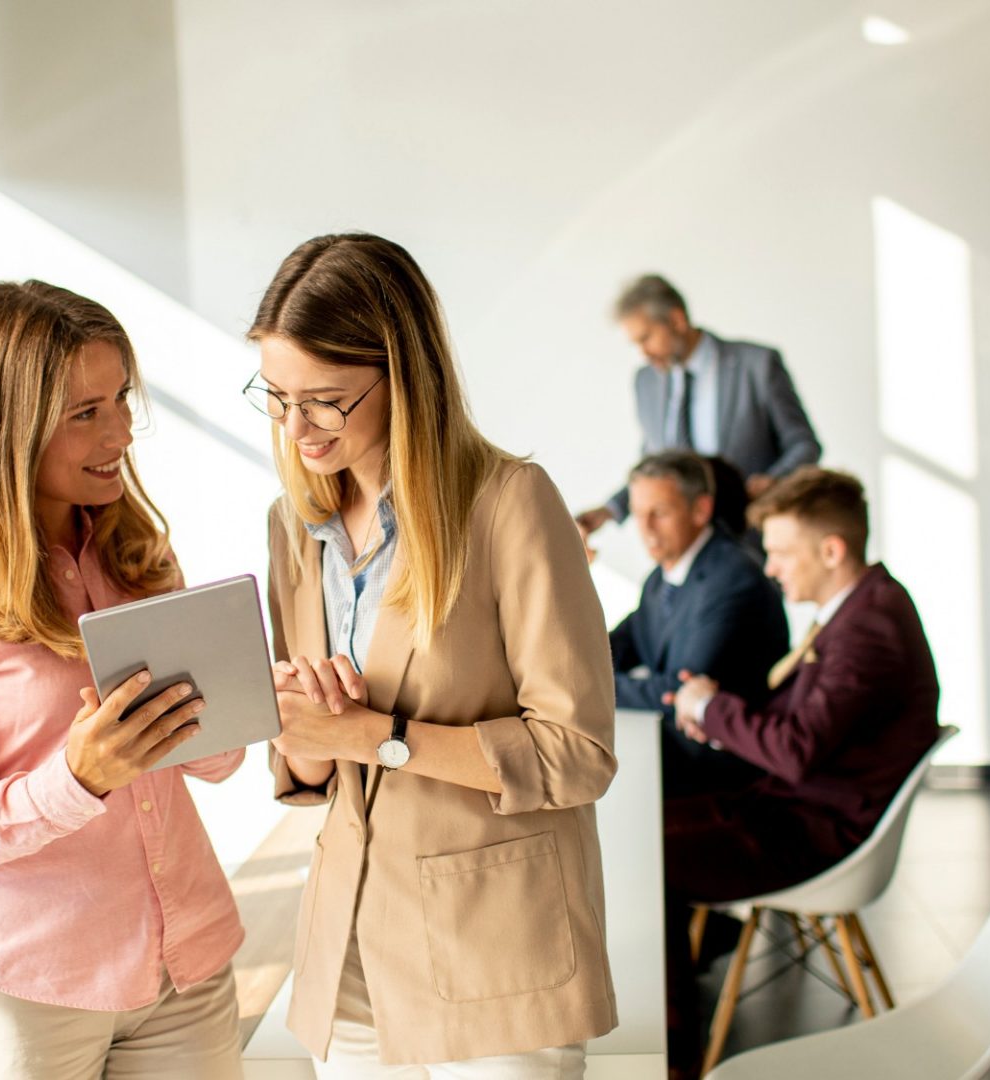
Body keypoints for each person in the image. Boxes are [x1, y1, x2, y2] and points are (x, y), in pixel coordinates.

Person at [242, 233, 618, 1077]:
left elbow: (580, 754)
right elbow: (317, 763)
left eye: (324, 400)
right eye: (274, 396)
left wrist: (374, 734)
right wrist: (302, 735)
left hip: (494, 953)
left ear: (403, 376)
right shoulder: (292, 527)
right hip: (349, 959)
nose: (295, 427)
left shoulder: (511, 504)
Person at [0, 281, 247, 1079]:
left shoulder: (139, 557)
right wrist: (77, 777)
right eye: (85, 414)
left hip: (184, 965)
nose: (120, 433)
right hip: (27, 993)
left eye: (121, 400)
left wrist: (237, 705)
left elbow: (214, 763)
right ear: (3, 429)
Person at [659, 466, 941, 1067]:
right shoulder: (863, 608)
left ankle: (673, 1055)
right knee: (640, 832)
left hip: (820, 829)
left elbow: (794, 748)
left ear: (831, 550)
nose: (771, 568)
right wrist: (712, 709)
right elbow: (797, 720)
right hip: (794, 803)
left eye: (782, 552)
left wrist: (709, 708)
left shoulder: (868, 628)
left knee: (646, 860)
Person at [575, 274, 821, 546]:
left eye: (646, 338)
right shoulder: (646, 382)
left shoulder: (757, 365)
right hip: (684, 551)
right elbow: (655, 465)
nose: (643, 353)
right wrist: (610, 510)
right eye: (636, 344)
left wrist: (773, 482)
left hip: (752, 542)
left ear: (677, 320)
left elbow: (804, 445)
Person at [608, 450, 785, 799]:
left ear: (701, 510)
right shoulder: (659, 579)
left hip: (722, 776)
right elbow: (616, 647)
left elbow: (681, 688)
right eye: (638, 514)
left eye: (658, 513)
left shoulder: (732, 576)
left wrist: (586, 687)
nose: (644, 528)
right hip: (674, 753)